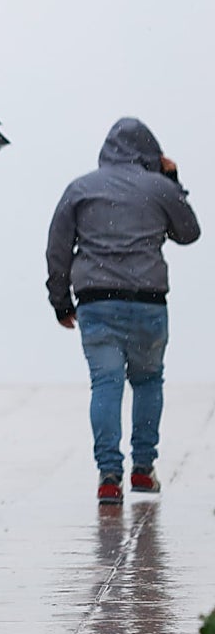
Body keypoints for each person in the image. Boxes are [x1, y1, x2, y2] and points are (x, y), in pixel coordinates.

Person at [46, 117, 200, 505]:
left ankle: (109, 476)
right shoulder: (159, 189)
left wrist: (60, 301)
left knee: (106, 384)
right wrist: (173, 180)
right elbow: (189, 233)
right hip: (148, 301)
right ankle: (144, 470)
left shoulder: (80, 189)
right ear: (149, 151)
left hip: (97, 302)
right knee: (148, 382)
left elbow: (58, 248)